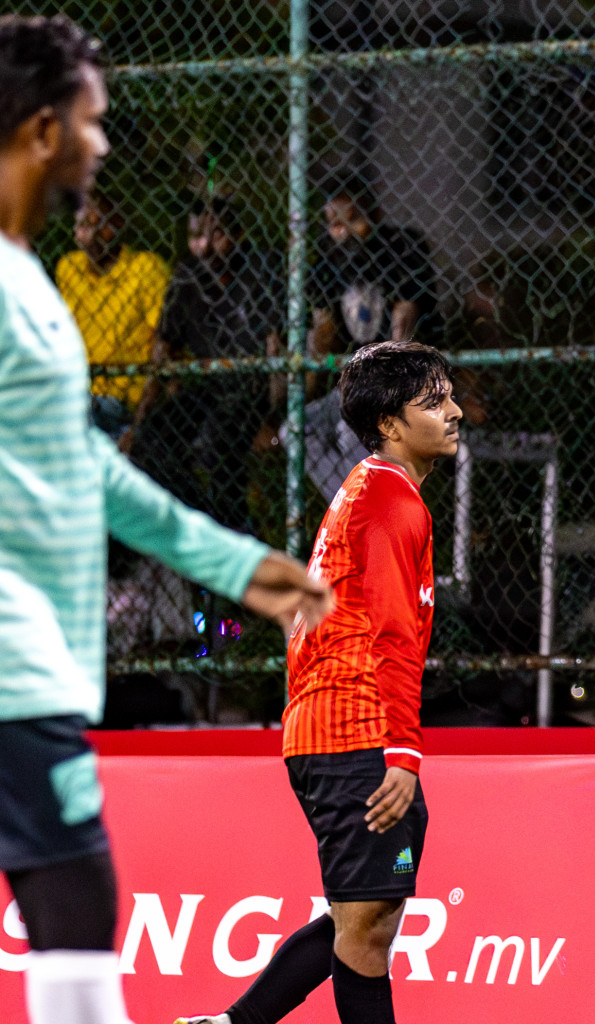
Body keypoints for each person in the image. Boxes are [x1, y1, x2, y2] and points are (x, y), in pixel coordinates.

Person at [0, 17, 333, 1024]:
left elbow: (86, 465)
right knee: (73, 894)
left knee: (72, 896)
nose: (104, 146)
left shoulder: (34, 288)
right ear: (45, 129)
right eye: (94, 123)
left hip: (33, 654)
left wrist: (236, 566)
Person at [175, 341, 460, 1024]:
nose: (454, 412)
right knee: (366, 931)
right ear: (391, 423)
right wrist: (403, 753)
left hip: (326, 730)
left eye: (449, 396)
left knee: (364, 919)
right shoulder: (392, 500)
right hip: (356, 734)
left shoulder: (366, 489)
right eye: (434, 401)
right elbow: (393, 635)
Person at [144, 197, 283, 530]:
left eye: (216, 234)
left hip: (251, 391)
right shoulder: (187, 274)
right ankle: (200, 524)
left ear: (238, 235)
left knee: (217, 444)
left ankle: (235, 541)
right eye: (196, 236)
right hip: (206, 387)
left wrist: (273, 419)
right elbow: (164, 347)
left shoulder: (258, 271)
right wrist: (144, 413)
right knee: (152, 439)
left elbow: (277, 353)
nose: (204, 246)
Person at [53, 191, 170, 440]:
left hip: (123, 397)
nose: (92, 234)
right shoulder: (69, 268)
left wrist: (141, 420)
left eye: (101, 225)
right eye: (83, 225)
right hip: (78, 390)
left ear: (119, 225)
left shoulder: (145, 268)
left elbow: (164, 344)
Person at [309, 182, 437, 356]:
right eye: (335, 224)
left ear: (374, 217)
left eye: (353, 220)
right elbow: (323, 333)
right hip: (351, 362)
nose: (345, 233)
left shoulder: (401, 248)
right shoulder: (326, 265)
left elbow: (406, 315)